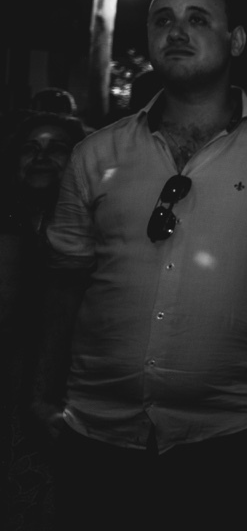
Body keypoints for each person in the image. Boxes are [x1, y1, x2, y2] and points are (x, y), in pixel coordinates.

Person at [33, 0, 247, 531]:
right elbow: (65, 277)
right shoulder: (95, 153)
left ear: (235, 40)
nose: (177, 31)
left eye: (198, 19)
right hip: (98, 433)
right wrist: (44, 395)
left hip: (234, 439)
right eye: (163, 20)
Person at [1, 111, 87, 530]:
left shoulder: (94, 229)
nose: (41, 157)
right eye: (30, 148)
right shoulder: (7, 221)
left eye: (56, 148)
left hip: (72, 381)